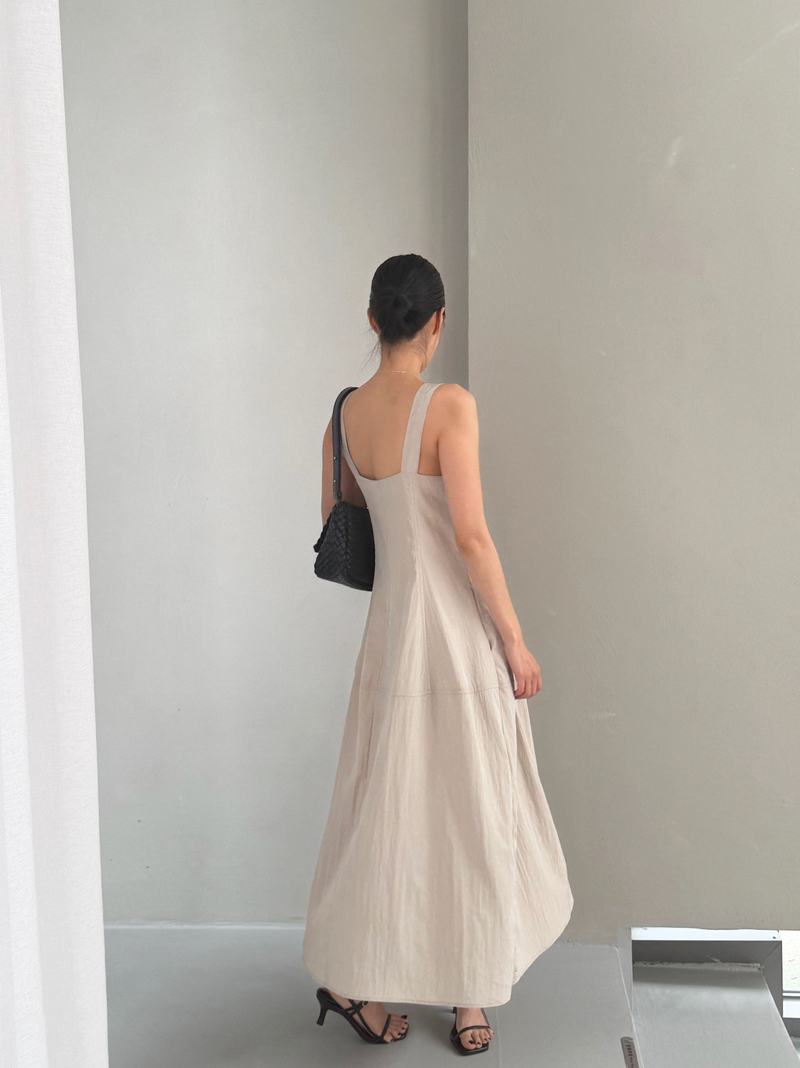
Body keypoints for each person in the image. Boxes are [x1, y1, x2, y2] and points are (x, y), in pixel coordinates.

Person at [303, 253, 573, 1055]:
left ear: (373, 319)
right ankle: (469, 998)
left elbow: (337, 517)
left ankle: (357, 979)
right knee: (471, 806)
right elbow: (471, 537)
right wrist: (515, 642)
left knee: (385, 807)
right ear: (438, 321)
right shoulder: (449, 405)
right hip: (454, 637)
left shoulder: (344, 416)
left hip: (391, 637)